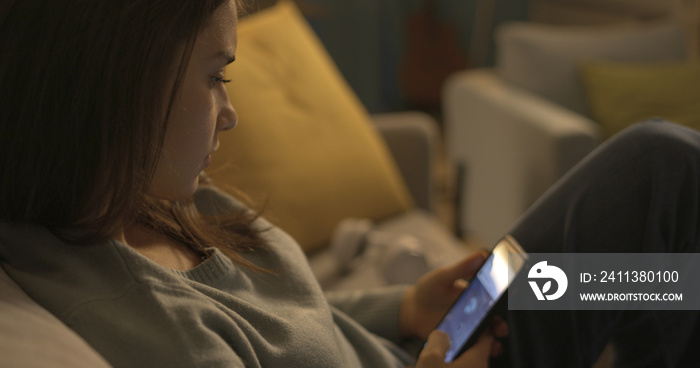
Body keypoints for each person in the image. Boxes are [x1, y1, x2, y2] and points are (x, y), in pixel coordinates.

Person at [1, 2, 699, 368]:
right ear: (118, 87)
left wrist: (403, 306)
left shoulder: (167, 200)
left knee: (657, 184)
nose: (231, 111)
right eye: (216, 76)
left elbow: (296, 324)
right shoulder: (142, 326)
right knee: (667, 197)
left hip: (429, 340)